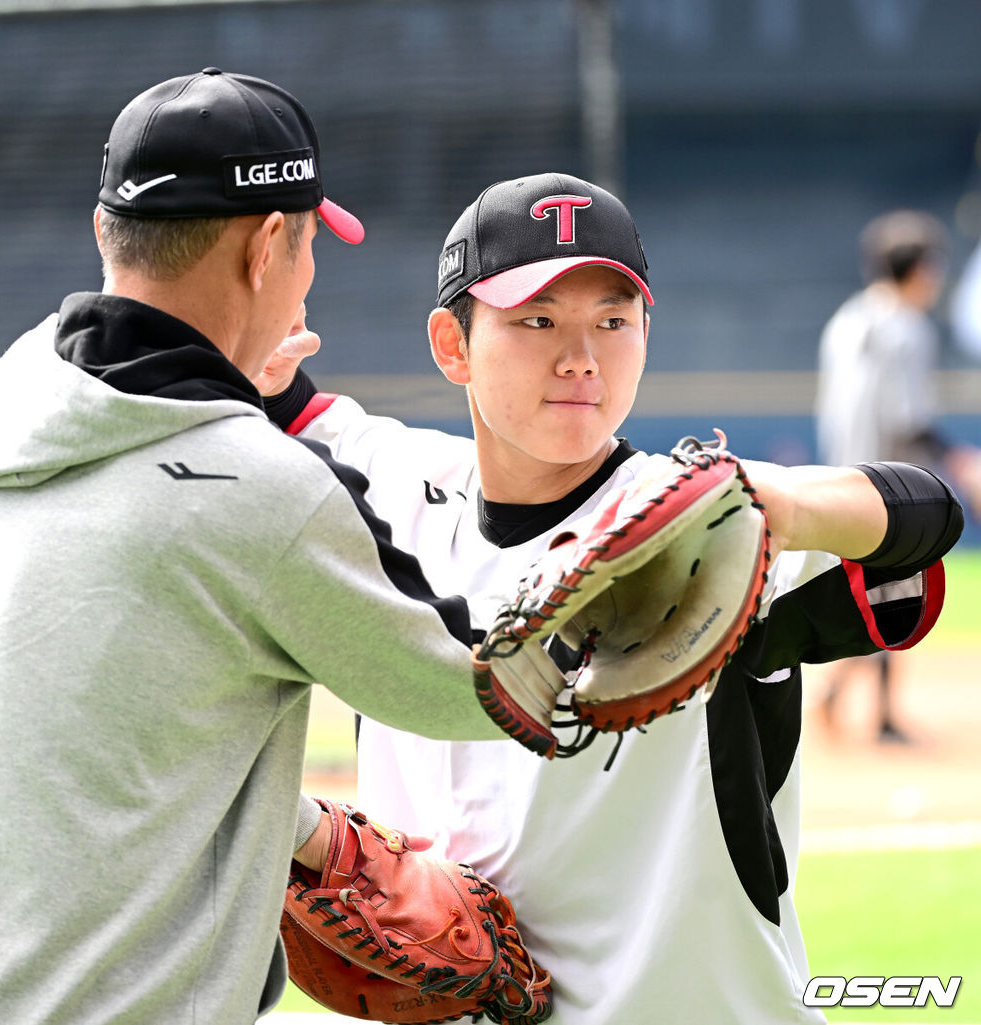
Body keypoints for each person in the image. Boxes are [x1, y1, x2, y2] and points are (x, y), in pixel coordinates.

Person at [261, 172, 962, 1025]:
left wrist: (776, 506)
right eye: (537, 321)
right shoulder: (393, 487)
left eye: (613, 320)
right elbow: (284, 402)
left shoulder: (698, 527)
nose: (581, 356)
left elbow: (926, 513)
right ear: (452, 345)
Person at [0, 69, 520, 1025]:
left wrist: (296, 832)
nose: (307, 278)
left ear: (106, 233)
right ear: (267, 248)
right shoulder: (259, 488)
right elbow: (483, 687)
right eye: (307, 249)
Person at [815, 209, 981, 743]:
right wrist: (959, 460)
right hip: (892, 480)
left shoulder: (847, 318)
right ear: (923, 268)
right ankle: (880, 716)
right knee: (899, 589)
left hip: (843, 473)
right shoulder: (907, 328)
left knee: (878, 590)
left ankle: (844, 695)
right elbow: (908, 419)